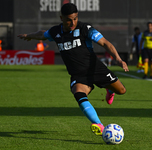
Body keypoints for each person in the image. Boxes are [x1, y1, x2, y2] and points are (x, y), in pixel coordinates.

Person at [18, 3, 129, 136]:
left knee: (122, 91)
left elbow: (105, 43)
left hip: (95, 68)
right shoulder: (56, 32)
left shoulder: (85, 28)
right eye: (69, 19)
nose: (72, 22)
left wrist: (118, 59)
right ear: (61, 18)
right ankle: (99, 125)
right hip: (78, 75)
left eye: (75, 18)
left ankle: (109, 89)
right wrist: (29, 35)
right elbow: (43, 34)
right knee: (78, 94)